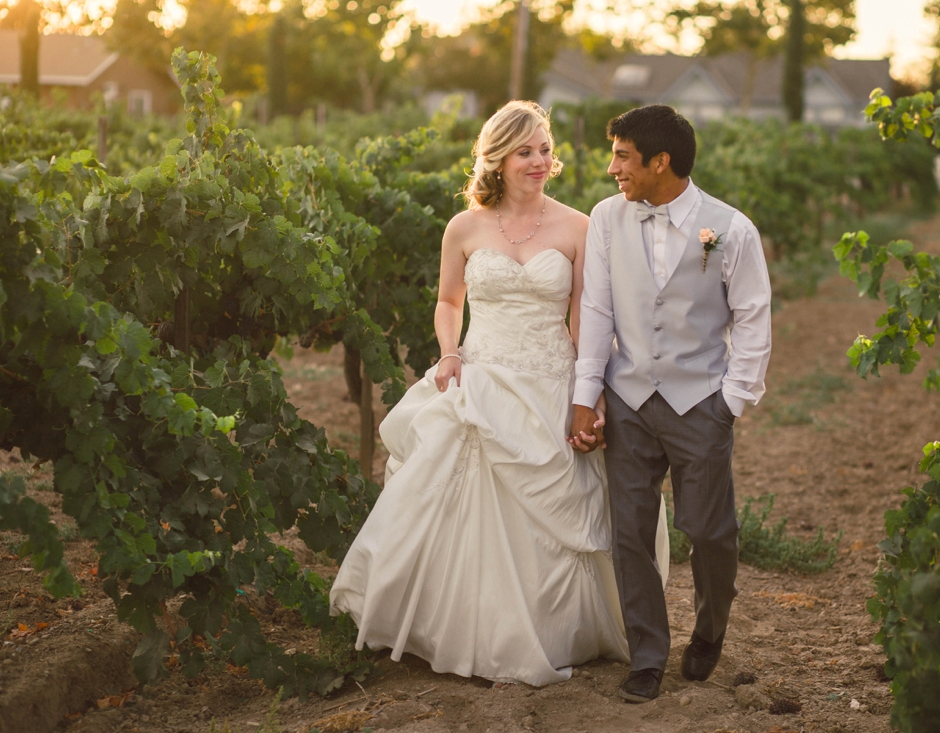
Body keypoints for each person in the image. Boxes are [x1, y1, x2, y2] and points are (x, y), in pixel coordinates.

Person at [329, 100, 660, 686]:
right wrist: (450, 353)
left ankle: (557, 630)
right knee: (457, 492)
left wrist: (594, 389)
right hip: (481, 373)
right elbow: (448, 300)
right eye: (525, 152)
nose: (539, 161)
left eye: (545, 150)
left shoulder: (579, 227)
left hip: (550, 380)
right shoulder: (465, 226)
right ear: (498, 160)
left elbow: (584, 318)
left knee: (557, 505)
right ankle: (457, 627)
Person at [569, 105, 772, 703]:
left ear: (661, 162)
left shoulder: (731, 229)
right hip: (628, 397)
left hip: (700, 401)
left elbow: (753, 318)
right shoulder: (607, 220)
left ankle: (708, 632)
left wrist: (730, 402)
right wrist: (589, 395)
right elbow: (598, 309)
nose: (613, 170)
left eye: (623, 156)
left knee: (709, 532)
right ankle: (647, 655)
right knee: (629, 533)